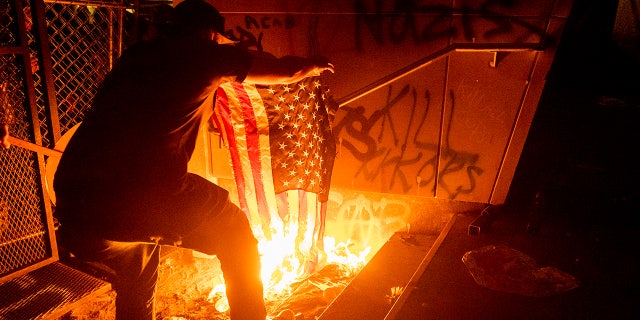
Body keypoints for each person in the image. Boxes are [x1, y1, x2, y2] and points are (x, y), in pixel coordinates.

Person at [52, 0, 334, 319]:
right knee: (235, 233)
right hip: (144, 194)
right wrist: (314, 65)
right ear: (212, 35)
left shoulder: (137, 56)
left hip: (78, 203)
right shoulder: (205, 56)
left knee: (138, 260)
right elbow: (287, 71)